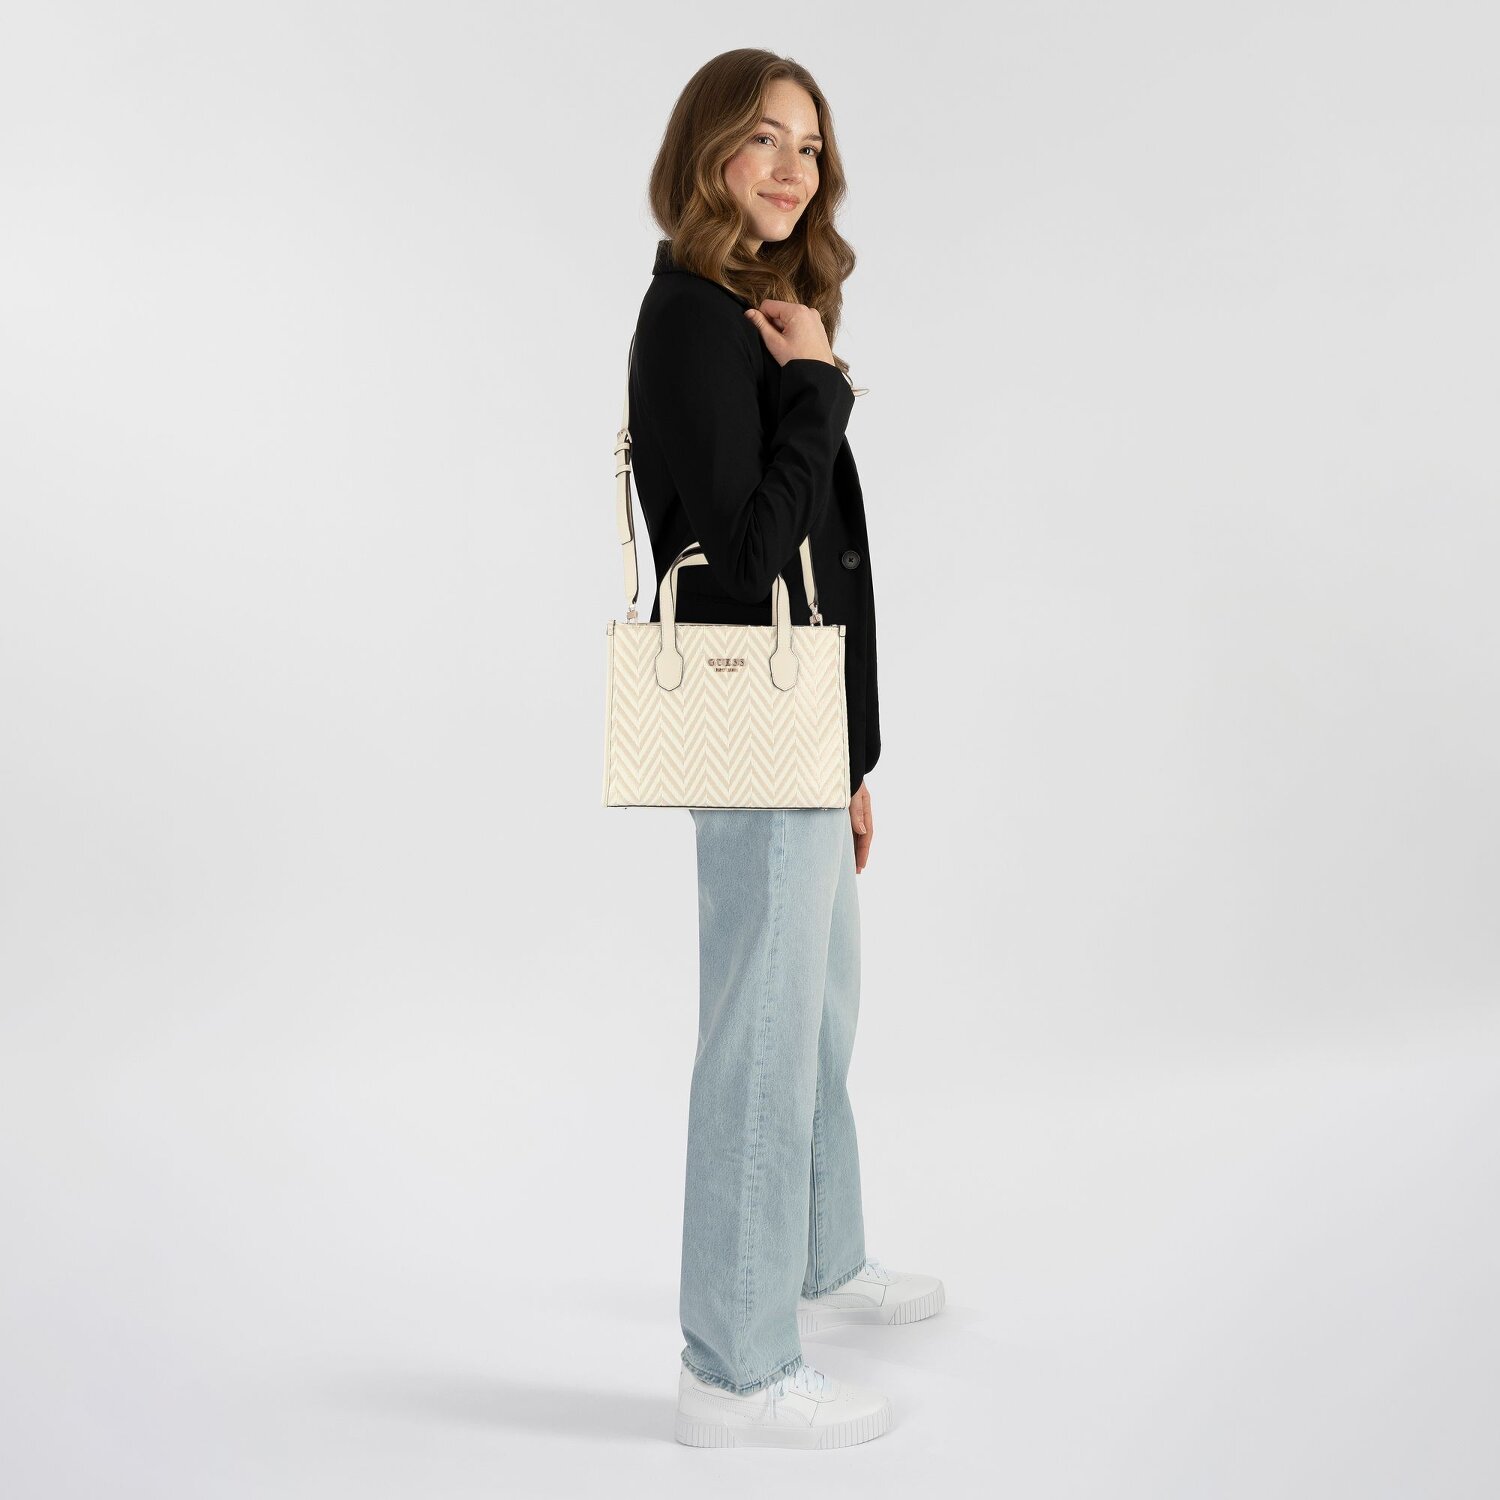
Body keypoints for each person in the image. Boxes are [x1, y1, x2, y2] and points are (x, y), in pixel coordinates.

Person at [626, 50, 945, 1450]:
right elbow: (751, 568)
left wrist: (850, 759)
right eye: (763, 139)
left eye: (809, 148)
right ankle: (735, 1366)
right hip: (755, 728)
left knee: (814, 1011)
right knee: (760, 1035)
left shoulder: (754, 311)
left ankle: (819, 1254)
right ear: (707, 152)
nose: (791, 169)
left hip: (803, 730)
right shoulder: (695, 323)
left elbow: (819, 568)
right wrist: (819, 389)